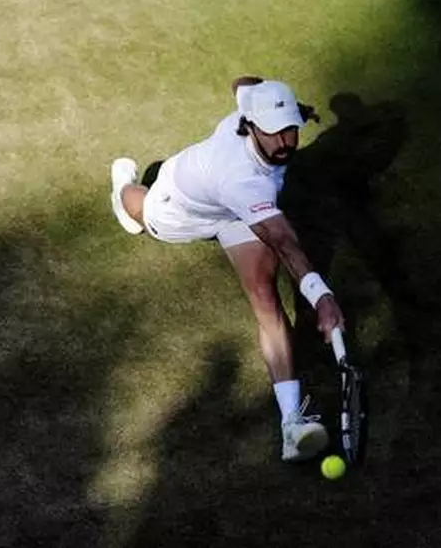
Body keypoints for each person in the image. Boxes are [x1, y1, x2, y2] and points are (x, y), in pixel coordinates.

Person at [109, 77, 346, 462]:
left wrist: (293, 110)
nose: (285, 141)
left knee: (265, 298)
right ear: (250, 126)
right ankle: (121, 186)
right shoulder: (243, 181)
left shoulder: (254, 107)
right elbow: (284, 242)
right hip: (179, 208)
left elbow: (244, 83)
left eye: (289, 129)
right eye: (273, 132)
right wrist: (322, 297)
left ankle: (291, 425)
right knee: (137, 210)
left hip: (231, 212)